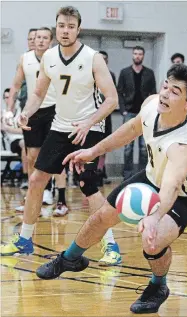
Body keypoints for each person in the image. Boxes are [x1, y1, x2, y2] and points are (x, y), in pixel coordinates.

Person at [36, 64, 187, 314]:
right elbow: (130, 130)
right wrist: (92, 152)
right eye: (165, 86)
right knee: (100, 218)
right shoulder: (152, 104)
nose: (164, 94)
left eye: (174, 92)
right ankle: (70, 258)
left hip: (184, 195)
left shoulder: (183, 147)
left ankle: (158, 286)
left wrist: (154, 216)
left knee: (152, 242)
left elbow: (172, 186)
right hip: (151, 177)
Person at [1, 6, 121, 266]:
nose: (65, 31)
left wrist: (88, 123)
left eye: (70, 26)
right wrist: (27, 113)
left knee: (87, 186)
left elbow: (112, 99)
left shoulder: (92, 58)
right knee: (36, 180)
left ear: (78, 29)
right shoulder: (50, 57)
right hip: (60, 126)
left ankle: (111, 245)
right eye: (61, 26)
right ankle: (24, 239)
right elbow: (37, 94)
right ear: (56, 28)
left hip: (88, 129)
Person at [4, 27, 68, 213]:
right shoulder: (25, 59)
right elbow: (15, 86)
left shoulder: (57, 58)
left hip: (54, 111)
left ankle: (61, 200)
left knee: (56, 156)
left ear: (51, 41)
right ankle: (34, 198)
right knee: (32, 157)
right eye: (38, 37)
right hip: (32, 112)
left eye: (45, 38)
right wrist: (9, 110)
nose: (40, 40)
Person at [118, 46, 156, 180]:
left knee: (143, 148)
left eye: (140, 54)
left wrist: (151, 110)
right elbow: (119, 92)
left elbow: (154, 93)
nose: (138, 56)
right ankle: (127, 176)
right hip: (128, 113)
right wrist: (122, 110)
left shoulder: (149, 73)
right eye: (135, 53)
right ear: (132, 55)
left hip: (145, 113)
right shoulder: (124, 72)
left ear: (143, 56)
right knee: (128, 147)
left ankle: (142, 175)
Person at [97, 50, 116, 185]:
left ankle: (100, 170)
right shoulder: (89, 74)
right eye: (100, 58)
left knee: (105, 143)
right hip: (91, 114)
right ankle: (89, 171)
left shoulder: (111, 75)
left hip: (106, 114)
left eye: (105, 59)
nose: (102, 61)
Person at [1, 88, 28, 188]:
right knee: (25, 143)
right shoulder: (2, 114)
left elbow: (24, 130)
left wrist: (8, 128)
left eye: (11, 97)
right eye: (6, 97)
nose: (9, 100)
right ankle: (25, 177)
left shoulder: (21, 112)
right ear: (4, 99)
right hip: (13, 143)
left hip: (25, 140)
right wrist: (15, 129)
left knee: (31, 145)